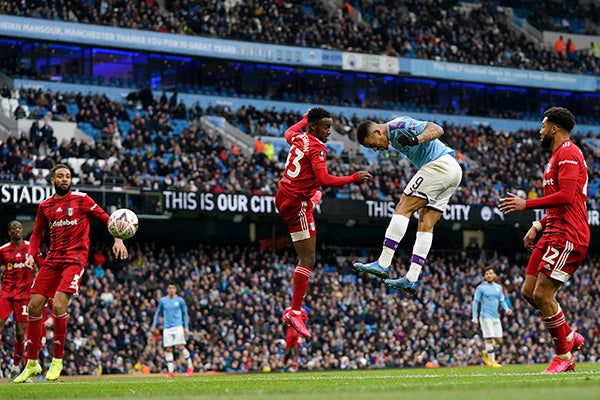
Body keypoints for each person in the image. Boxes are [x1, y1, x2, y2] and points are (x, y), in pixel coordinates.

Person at [13, 163, 129, 383]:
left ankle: (57, 361)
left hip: (75, 259)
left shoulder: (82, 199)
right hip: (52, 259)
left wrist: (117, 237)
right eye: (60, 176)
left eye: (67, 176)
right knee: (34, 306)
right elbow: (36, 234)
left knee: (58, 305)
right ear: (52, 180)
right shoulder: (45, 206)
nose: (65, 179)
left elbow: (106, 218)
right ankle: (32, 363)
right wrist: (30, 253)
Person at [498, 106, 588, 374]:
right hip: (552, 231)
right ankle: (569, 335)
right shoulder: (555, 156)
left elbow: (568, 197)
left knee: (543, 293)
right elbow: (560, 204)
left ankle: (564, 355)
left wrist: (526, 205)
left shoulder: (569, 153)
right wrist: (538, 224)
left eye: (542, 125)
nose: (539, 130)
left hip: (569, 235)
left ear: (553, 128)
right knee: (528, 292)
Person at [275, 107, 372, 339]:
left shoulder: (299, 137)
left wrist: (304, 119)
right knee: (308, 259)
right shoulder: (317, 147)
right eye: (326, 127)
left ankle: (313, 200)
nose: (330, 131)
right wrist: (353, 178)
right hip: (296, 205)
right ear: (314, 127)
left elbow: (288, 132)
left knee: (315, 193)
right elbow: (325, 178)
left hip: (284, 195)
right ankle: (295, 312)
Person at [352, 116, 462, 296]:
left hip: (439, 165)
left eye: (372, 144)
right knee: (425, 223)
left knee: (404, 206)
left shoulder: (398, 126)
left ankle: (384, 263)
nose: (375, 149)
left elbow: (437, 128)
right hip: (452, 171)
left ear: (377, 132)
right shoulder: (393, 137)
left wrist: (416, 139)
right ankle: (411, 278)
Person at [0, 221, 43, 380]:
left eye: (19, 228)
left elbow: (43, 266)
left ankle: (15, 365)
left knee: (19, 334)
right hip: (6, 293)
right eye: (14, 228)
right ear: (9, 232)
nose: (17, 230)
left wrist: (36, 278)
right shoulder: (3, 250)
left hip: (24, 295)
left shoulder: (30, 248)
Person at [471, 266, 512, 368]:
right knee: (489, 339)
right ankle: (492, 361)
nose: (489, 275)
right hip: (485, 317)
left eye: (490, 273)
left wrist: (506, 309)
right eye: (487, 274)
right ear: (485, 276)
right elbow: (475, 302)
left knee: (499, 340)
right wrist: (474, 316)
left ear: (494, 275)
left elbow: (502, 300)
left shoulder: (498, 287)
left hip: (495, 317)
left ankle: (486, 352)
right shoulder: (481, 288)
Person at [151, 282, 194, 378]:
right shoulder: (163, 301)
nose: (171, 290)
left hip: (178, 326)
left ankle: (190, 367)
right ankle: (171, 371)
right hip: (167, 328)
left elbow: (185, 314)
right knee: (168, 349)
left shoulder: (180, 300)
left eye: (173, 288)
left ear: (176, 290)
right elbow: (158, 313)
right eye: (169, 288)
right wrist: (154, 325)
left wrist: (186, 327)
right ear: (167, 289)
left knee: (180, 347)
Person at [281, 306, 307, 372]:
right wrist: (287, 319)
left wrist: (304, 333)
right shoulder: (287, 309)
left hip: (298, 333)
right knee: (287, 352)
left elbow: (305, 322)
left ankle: (294, 367)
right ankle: (284, 364)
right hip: (289, 333)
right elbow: (283, 321)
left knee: (296, 349)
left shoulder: (303, 311)